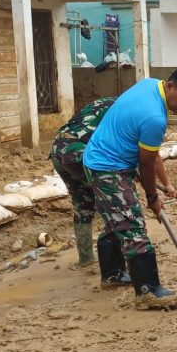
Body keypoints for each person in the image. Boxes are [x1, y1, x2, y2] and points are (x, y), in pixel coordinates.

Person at [83, 66, 177, 310]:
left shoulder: (150, 85)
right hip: (109, 167)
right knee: (132, 224)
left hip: (98, 159)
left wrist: (167, 185)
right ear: (170, 87)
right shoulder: (155, 118)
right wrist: (153, 198)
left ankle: (112, 275)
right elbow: (146, 163)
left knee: (115, 219)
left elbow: (152, 153)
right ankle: (148, 291)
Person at [50, 96, 116, 270]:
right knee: (114, 199)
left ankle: (86, 258)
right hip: (81, 153)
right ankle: (117, 260)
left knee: (82, 204)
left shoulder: (105, 102)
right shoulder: (125, 111)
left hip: (59, 149)